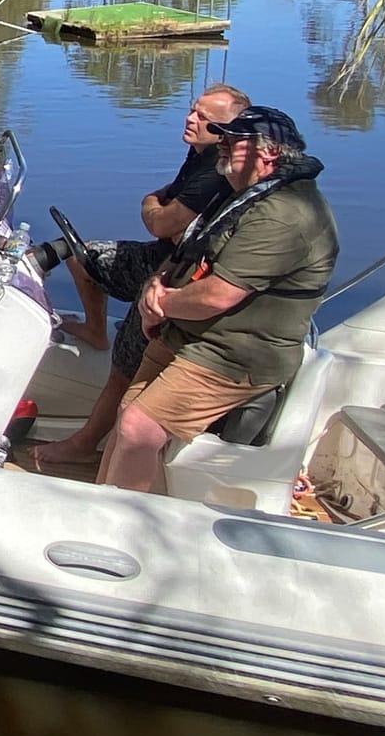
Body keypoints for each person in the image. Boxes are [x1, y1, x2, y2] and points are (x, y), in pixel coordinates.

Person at [98, 106, 340, 493]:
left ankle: (121, 527)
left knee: (138, 427)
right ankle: (105, 502)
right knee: (127, 413)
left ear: (269, 153)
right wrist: (155, 285)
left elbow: (219, 295)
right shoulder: (238, 194)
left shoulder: (286, 214)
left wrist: (161, 305)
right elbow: (185, 253)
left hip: (235, 354)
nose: (222, 145)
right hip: (189, 336)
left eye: (233, 141)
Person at [26, 84, 250, 469]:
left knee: (128, 355)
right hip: (165, 255)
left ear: (224, 133)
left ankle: (85, 443)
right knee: (83, 255)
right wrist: (159, 207)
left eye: (202, 118)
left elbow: (162, 221)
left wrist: (154, 207)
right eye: (192, 110)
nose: (190, 118)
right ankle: (96, 329)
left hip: (178, 272)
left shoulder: (215, 169)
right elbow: (163, 212)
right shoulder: (198, 153)